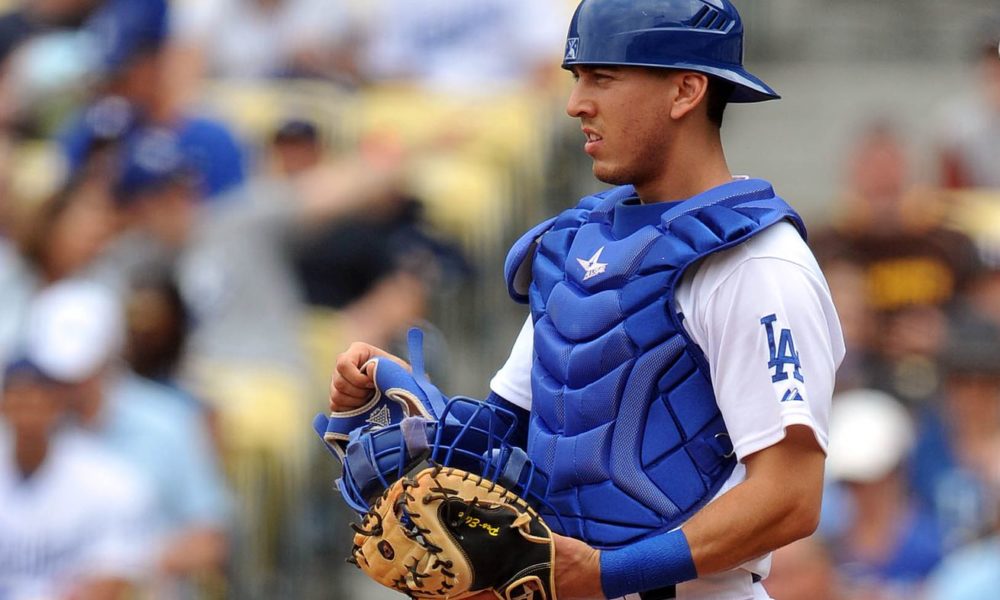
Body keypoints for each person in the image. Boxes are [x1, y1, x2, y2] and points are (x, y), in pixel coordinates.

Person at [327, 1, 844, 599]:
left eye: (603, 76)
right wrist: (410, 416)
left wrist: (604, 575)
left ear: (685, 90)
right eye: (577, 79)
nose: (576, 104)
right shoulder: (577, 248)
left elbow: (789, 498)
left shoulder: (754, 262)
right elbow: (513, 434)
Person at [0, 356, 154, 599]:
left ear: (58, 404)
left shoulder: (107, 480)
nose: (27, 410)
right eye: (17, 398)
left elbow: (113, 577)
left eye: (38, 398)